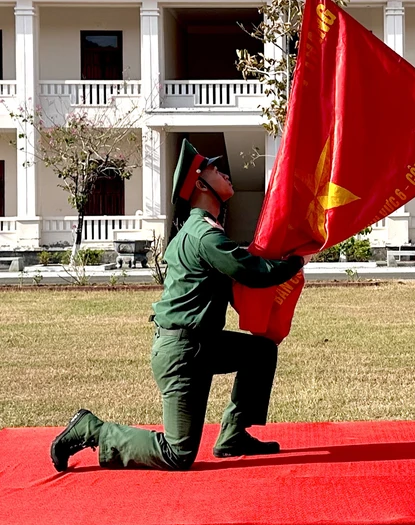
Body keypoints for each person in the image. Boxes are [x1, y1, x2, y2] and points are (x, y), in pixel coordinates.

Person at [50, 139, 311, 471]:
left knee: (260, 351)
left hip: (202, 343)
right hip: (182, 353)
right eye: (216, 169)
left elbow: (236, 283)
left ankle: (233, 436)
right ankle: (93, 429)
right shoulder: (204, 235)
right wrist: (294, 263)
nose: (225, 173)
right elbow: (250, 271)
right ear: (200, 183)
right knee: (177, 454)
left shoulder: (203, 232)